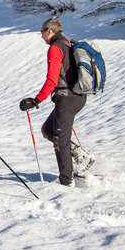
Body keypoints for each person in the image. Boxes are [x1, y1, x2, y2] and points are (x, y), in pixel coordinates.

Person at [19, 17, 92, 186]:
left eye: (42, 32)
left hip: (67, 98)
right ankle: (82, 157)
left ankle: (66, 181)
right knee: (48, 130)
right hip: (76, 97)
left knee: (60, 139)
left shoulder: (55, 48)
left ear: (50, 31)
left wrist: (36, 100)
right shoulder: (67, 43)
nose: (41, 36)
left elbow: (51, 79)